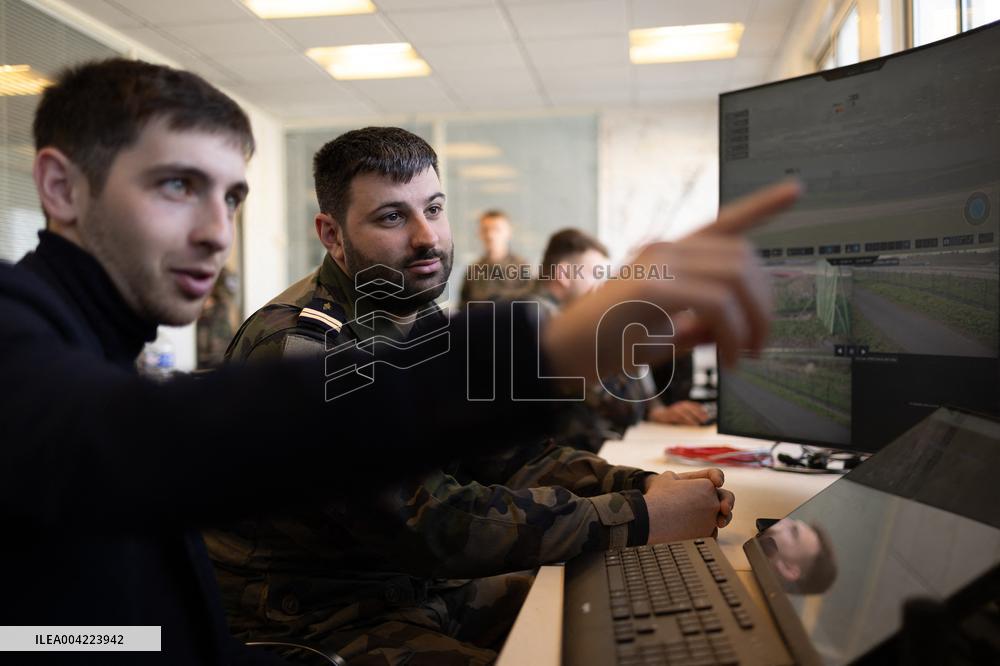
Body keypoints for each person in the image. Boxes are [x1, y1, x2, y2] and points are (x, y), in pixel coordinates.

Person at [0, 55, 798, 663]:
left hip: (389, 593)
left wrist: (639, 489)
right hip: (321, 623)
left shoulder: (98, 350)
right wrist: (553, 354)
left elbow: (91, 622)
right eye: (177, 187)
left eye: (232, 196)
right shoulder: (22, 347)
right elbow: (232, 434)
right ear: (61, 188)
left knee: (598, 616)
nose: (217, 232)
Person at [205, 127, 736, 665]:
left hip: (413, 589)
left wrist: (642, 485)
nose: (426, 237)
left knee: (612, 609)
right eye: (391, 217)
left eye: (434, 209)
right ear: (332, 235)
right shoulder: (300, 347)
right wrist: (637, 517)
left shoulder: (417, 317)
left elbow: (511, 457)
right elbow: (428, 521)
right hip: (322, 620)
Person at [532, 228, 711, 451]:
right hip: (571, 458)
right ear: (564, 274)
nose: (601, 285)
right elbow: (619, 406)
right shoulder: (540, 319)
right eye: (596, 273)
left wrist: (655, 410)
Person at [459, 209, 531, 306]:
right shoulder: (473, 270)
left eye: (497, 229)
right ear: (479, 233)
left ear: (509, 232)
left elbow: (530, 302)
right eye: (485, 230)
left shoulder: (521, 267)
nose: (490, 235)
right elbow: (463, 306)